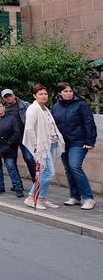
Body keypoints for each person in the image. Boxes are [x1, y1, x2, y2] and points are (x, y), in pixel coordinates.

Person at [52, 82, 97, 210]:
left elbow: (89, 122)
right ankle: (75, 197)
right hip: (63, 143)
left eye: (70, 91)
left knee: (75, 166)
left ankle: (89, 198)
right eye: (65, 91)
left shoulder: (80, 105)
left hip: (79, 142)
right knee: (68, 169)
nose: (68, 93)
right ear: (60, 93)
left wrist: (90, 141)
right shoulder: (56, 107)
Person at [23, 84, 65, 210]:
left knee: (44, 172)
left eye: (45, 94)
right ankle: (31, 197)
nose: (44, 96)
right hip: (42, 146)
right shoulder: (33, 109)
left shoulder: (45, 108)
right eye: (40, 94)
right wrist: (36, 145)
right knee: (48, 172)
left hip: (51, 143)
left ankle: (41, 198)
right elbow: (29, 129)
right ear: (34, 96)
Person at [2, 88, 36, 181]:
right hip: (10, 137)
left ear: (14, 95)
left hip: (24, 135)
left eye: (10, 95)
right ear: (3, 99)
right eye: (6, 97)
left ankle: (36, 181)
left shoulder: (24, 105)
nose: (8, 98)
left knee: (29, 158)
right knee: (11, 161)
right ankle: (17, 184)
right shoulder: (2, 108)